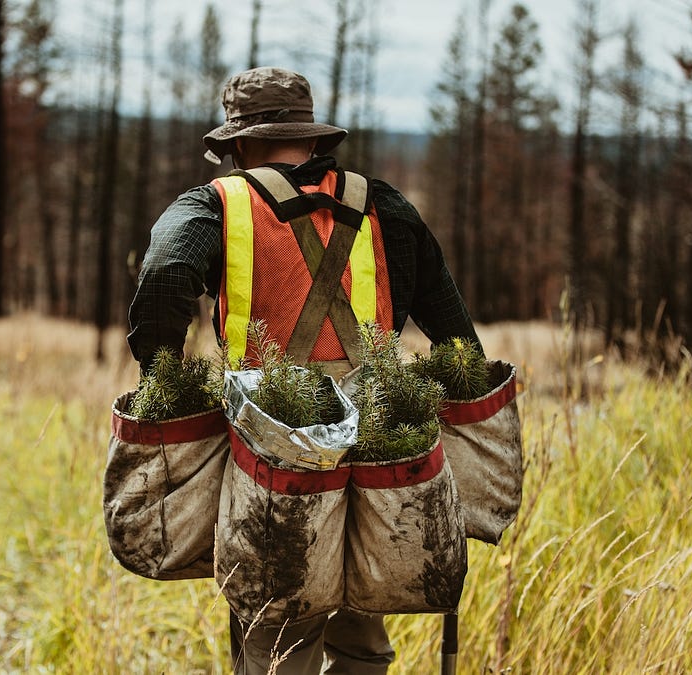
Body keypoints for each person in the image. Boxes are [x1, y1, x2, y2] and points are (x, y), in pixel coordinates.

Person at [126, 66, 480, 675]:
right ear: (313, 140)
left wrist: (166, 381)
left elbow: (163, 276)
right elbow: (456, 337)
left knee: (277, 632)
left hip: (272, 448)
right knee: (363, 629)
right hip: (377, 446)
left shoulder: (216, 205)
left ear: (236, 144)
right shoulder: (384, 205)